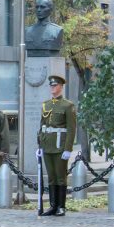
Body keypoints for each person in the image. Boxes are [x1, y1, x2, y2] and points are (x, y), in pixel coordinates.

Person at [37, 75, 76, 217]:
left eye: (55, 85)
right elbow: (42, 126)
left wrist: (68, 149)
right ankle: (53, 206)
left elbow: (71, 129)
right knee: (51, 177)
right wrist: (40, 145)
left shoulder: (67, 105)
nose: (52, 88)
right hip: (47, 146)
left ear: (61, 87)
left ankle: (61, 206)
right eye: (51, 86)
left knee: (60, 177)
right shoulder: (45, 104)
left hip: (60, 146)